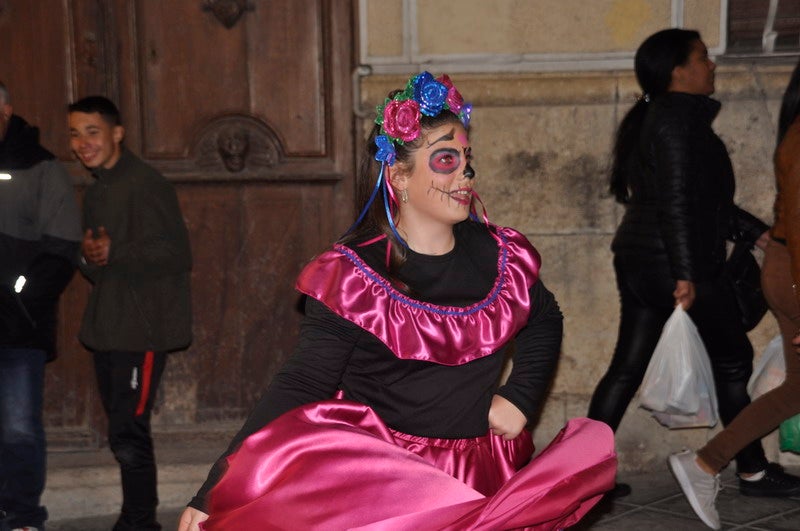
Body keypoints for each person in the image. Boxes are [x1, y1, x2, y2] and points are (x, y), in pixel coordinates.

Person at [178, 72, 616, 530]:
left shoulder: (498, 256)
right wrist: (213, 490)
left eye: (467, 159)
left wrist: (520, 396)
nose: (466, 173)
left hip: (475, 474)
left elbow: (545, 317)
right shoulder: (355, 277)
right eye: (446, 159)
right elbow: (302, 384)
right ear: (399, 176)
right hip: (383, 483)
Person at [586, 28, 800, 508]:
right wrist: (686, 275)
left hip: (641, 259)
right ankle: (751, 469)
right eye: (703, 57)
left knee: (626, 367)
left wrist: (758, 233)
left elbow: (704, 202)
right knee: (733, 360)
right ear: (678, 71)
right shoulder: (679, 121)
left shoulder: (660, 117)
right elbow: (679, 204)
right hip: (676, 263)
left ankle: (580, 477)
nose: (712, 65)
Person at [668, 57, 800, 529]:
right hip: (794, 270)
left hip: (787, 265)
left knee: (796, 390)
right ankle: (706, 462)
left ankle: (705, 462)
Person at [68, 96, 192, 531]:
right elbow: (96, 261)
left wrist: (115, 251)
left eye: (92, 132)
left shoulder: (145, 184)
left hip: (142, 331)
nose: (82, 143)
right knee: (122, 432)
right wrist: (89, 256)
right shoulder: (98, 188)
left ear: (117, 133)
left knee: (129, 431)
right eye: (75, 134)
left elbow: (176, 253)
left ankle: (140, 522)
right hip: (109, 328)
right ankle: (135, 519)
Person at [0, 82, 81, 531]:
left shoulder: (41, 167)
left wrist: (18, 295)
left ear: (6, 111)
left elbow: (62, 247)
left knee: (17, 428)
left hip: (17, 326)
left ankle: (22, 516)